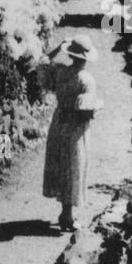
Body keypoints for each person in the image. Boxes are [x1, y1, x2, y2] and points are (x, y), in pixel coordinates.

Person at [36, 35, 102, 231]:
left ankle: (66, 213)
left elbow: (42, 63)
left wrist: (58, 47)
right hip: (75, 126)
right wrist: (97, 107)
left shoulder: (60, 72)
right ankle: (67, 216)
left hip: (59, 122)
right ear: (86, 58)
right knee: (73, 167)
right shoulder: (86, 80)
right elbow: (86, 110)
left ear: (71, 55)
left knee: (61, 164)